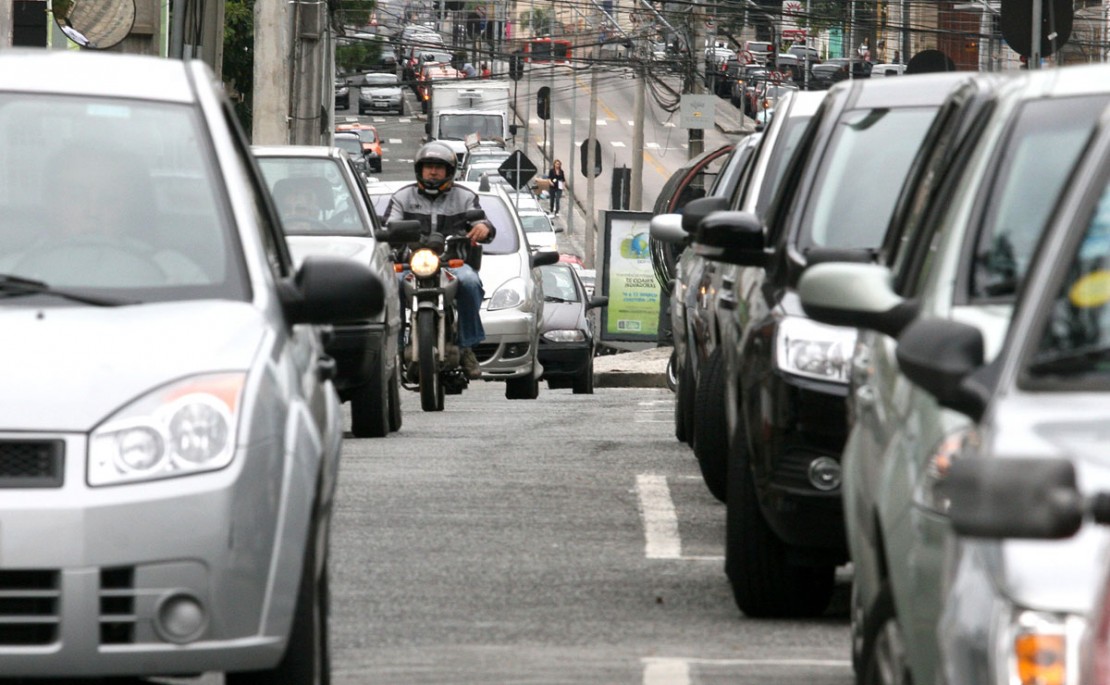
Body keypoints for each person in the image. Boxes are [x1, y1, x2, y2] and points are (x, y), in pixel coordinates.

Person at [383, 141, 494, 379]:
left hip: (452, 264)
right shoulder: (402, 197)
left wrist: (483, 228)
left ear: (450, 171)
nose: (433, 172)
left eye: (439, 167)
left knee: (471, 283)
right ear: (419, 170)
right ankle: (394, 347)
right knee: (389, 284)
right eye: (428, 167)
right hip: (410, 264)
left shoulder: (465, 197)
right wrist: (391, 234)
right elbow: (388, 226)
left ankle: (466, 347)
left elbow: (482, 223)